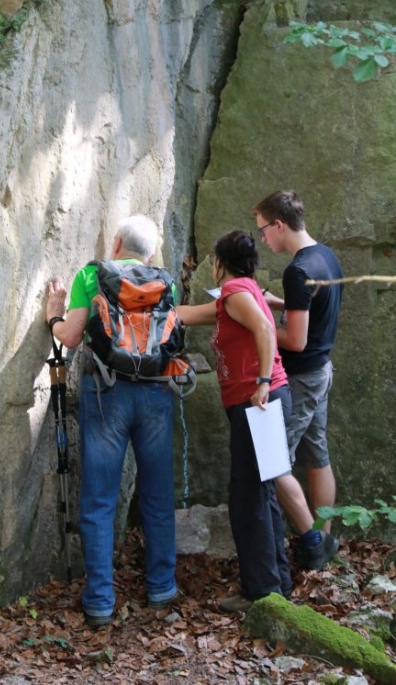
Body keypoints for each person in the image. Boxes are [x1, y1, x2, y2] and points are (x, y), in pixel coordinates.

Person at [45, 215, 178, 627]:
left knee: (99, 499)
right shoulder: (166, 282)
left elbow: (70, 336)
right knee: (157, 495)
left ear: (116, 242)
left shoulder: (91, 274)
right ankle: (161, 588)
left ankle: (100, 600)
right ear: (152, 252)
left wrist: (53, 314)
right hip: (156, 393)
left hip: (106, 394)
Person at [178, 230, 293, 613]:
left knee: (247, 496)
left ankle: (260, 594)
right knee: (262, 491)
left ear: (218, 263)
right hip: (265, 400)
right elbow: (188, 315)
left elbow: (263, 329)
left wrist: (261, 382)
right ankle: (277, 584)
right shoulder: (242, 292)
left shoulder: (235, 292)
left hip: (257, 401)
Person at [254, 190, 343, 569]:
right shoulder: (325, 256)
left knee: (275, 463)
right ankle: (325, 536)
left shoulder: (297, 270)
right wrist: (276, 303)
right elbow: (311, 310)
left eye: (263, 230)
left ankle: (312, 544)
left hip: (302, 376)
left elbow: (296, 338)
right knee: (316, 455)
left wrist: (259, 327)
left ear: (279, 224)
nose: (262, 239)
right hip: (321, 369)